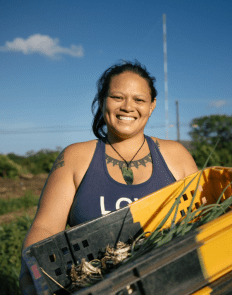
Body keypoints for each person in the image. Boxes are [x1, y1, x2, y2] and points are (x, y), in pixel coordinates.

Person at [19, 60, 198, 294]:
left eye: (139, 100)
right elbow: (45, 227)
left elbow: (201, 219)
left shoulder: (176, 156)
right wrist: (31, 274)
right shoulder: (75, 157)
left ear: (152, 106)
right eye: (117, 97)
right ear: (103, 100)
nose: (127, 107)